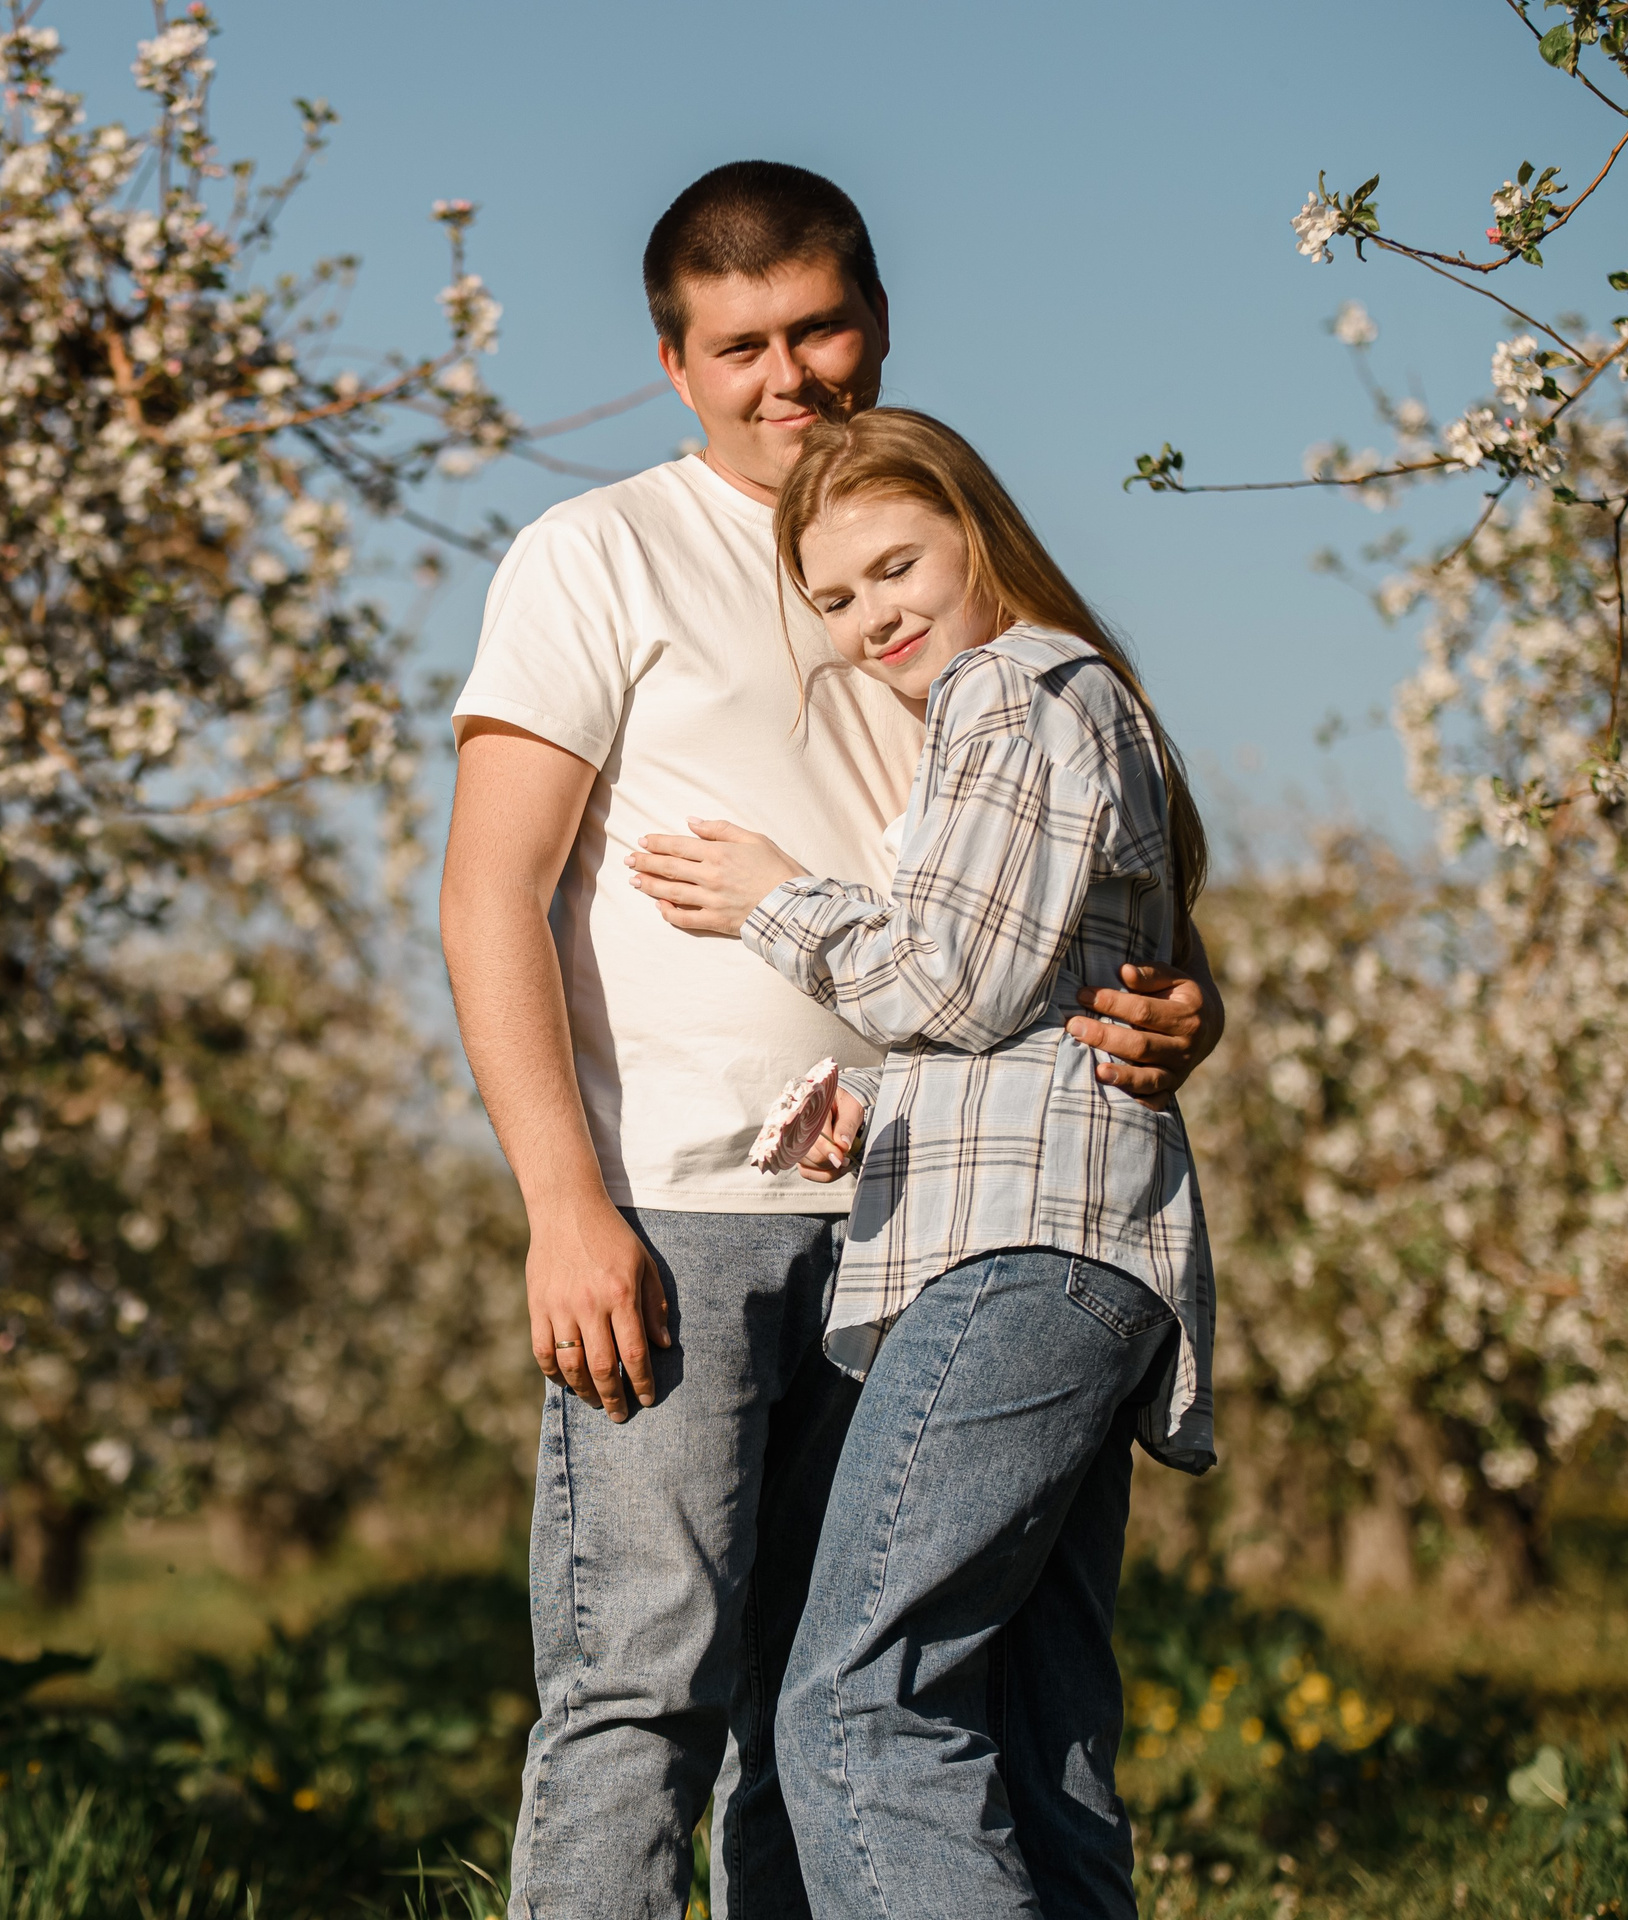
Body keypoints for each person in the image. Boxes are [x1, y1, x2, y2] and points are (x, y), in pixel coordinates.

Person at [437, 161, 1223, 1920]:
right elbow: (490, 894)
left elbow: (1080, 880)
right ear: (675, 364)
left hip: (928, 1223)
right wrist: (565, 1207)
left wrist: (1188, 1004)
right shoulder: (598, 554)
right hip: (683, 1211)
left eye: (817, 329)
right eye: (740, 347)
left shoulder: (934, 560)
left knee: (848, 1701)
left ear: (875, 320)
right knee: (644, 1682)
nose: (785, 375)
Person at [628, 407, 1216, 1918]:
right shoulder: (1082, 699)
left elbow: (951, 979)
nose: (872, 618)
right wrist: (883, 1113)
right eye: (834, 597)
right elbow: (1031, 1004)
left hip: (1016, 1258)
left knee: (853, 1700)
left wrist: (772, 897)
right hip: (1079, 1242)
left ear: (977, 532)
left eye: (897, 567)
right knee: (1036, 1725)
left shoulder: (1007, 688)